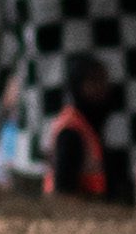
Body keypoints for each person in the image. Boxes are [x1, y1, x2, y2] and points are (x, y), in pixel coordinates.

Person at [43, 58, 126, 201]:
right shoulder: (71, 129)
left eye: (104, 80)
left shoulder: (90, 123)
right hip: (76, 216)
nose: (102, 87)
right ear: (78, 85)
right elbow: (63, 191)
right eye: (94, 81)